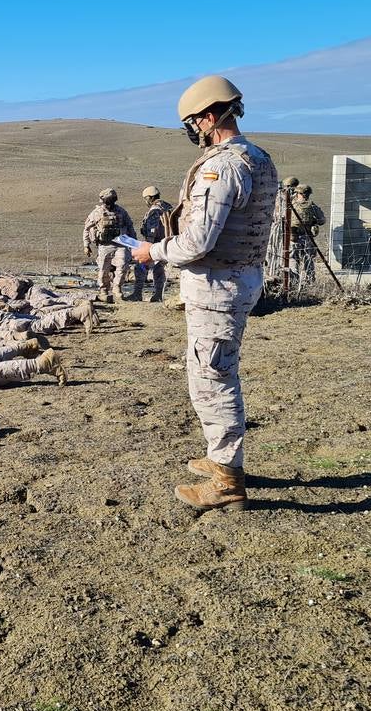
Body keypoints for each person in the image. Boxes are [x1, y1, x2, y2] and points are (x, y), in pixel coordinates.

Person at [130, 76, 277, 511]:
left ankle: (228, 481)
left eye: (193, 122)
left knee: (213, 378)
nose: (192, 130)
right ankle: (220, 460)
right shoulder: (258, 157)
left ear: (210, 117)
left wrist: (151, 251)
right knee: (211, 371)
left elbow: (196, 242)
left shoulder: (221, 167)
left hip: (218, 287)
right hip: (236, 280)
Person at [83, 189, 135, 303]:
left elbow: (130, 226)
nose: (109, 203)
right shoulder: (97, 212)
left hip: (120, 243)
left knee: (123, 266)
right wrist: (86, 245)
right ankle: (104, 290)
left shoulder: (121, 212)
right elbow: (87, 228)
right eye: (107, 201)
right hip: (104, 245)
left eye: (111, 201)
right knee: (103, 269)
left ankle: (117, 287)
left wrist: (134, 244)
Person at [130, 186, 173, 302]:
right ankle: (158, 295)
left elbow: (152, 230)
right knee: (159, 270)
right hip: (168, 244)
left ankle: (137, 294)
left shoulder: (154, 211)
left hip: (155, 246)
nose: (145, 202)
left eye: (145, 199)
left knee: (141, 267)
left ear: (149, 198)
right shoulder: (167, 207)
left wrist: (147, 248)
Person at [289, 184, 326, 283]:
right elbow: (322, 220)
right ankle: (310, 281)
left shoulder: (290, 204)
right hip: (307, 237)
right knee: (308, 259)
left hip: (293, 237)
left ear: (298, 193)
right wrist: (313, 221)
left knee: (293, 259)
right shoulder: (312, 205)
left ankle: (294, 281)